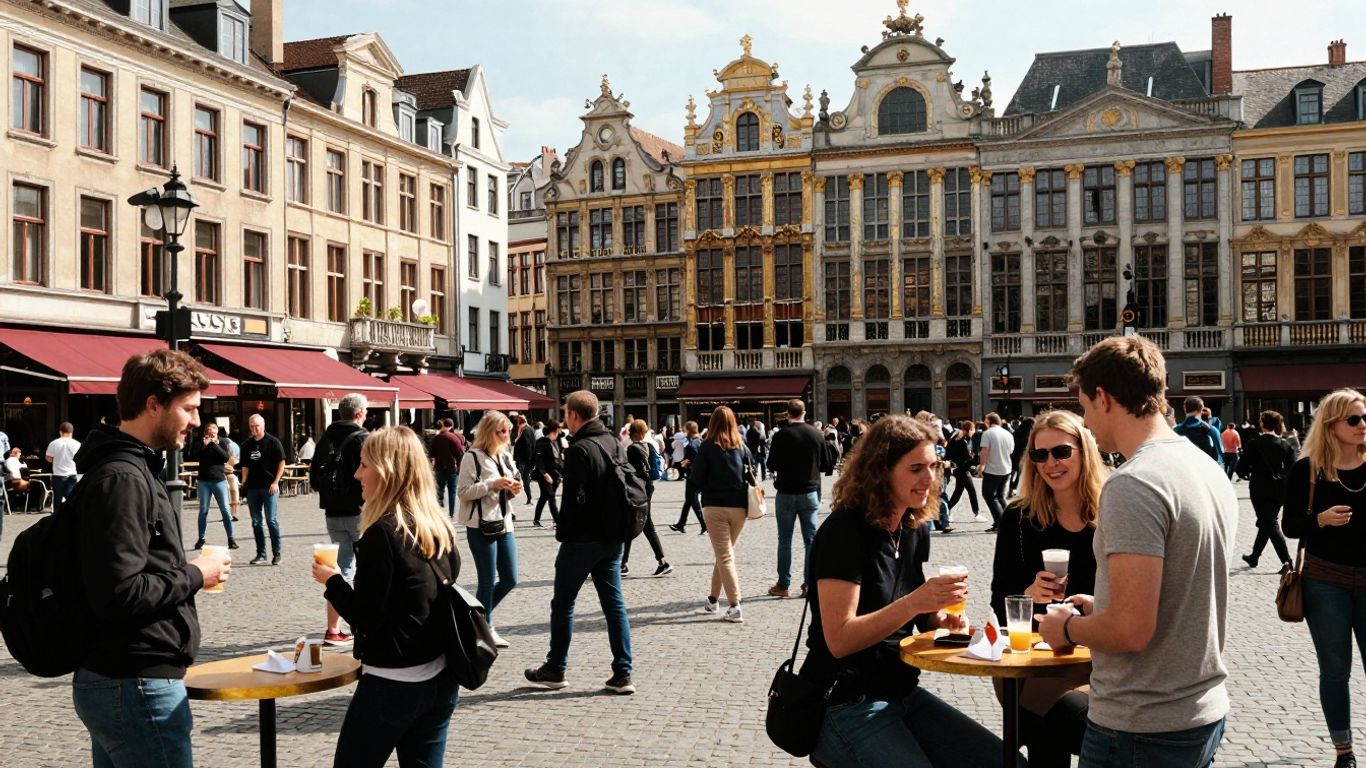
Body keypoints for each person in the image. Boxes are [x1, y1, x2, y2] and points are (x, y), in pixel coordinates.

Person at [1038, 335, 1237, 767]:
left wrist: (1066, 629)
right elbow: (1182, 588)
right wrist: (1102, 605)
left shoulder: (1134, 482)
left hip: (1142, 722)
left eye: (1086, 408)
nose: (1087, 423)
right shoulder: (1204, 466)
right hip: (1199, 707)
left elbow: (1130, 631)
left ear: (1104, 398)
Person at [803, 415, 1006, 768]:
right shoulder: (845, 531)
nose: (930, 478)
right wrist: (916, 602)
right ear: (882, 471)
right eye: (916, 469)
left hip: (902, 694)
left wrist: (940, 618)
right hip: (845, 702)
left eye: (933, 466)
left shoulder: (912, 527)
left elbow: (914, 609)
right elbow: (839, 638)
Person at [72, 349, 231, 768]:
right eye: (189, 409)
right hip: (134, 681)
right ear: (153, 404)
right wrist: (196, 573)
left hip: (127, 680)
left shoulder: (132, 469)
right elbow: (119, 592)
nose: (196, 422)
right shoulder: (123, 478)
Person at [311, 426, 462, 768]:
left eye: (364, 465)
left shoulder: (383, 532)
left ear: (387, 471)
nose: (356, 473)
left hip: (394, 682)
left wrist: (333, 581)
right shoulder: (437, 524)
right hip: (440, 677)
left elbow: (366, 616)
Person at [990, 410, 1104, 767]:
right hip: (1037, 661)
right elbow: (999, 598)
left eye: (1061, 452)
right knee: (1051, 731)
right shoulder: (1020, 518)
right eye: (1040, 455)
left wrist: (1094, 605)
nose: (1050, 464)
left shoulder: (1112, 513)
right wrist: (1028, 594)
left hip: (1098, 656)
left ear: (1084, 451)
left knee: (1049, 731)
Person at [524, 390, 635, 694]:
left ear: (574, 415)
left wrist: (564, 534)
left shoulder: (579, 449)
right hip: (613, 538)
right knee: (614, 605)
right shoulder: (614, 442)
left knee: (563, 603)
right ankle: (623, 673)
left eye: (566, 414)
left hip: (582, 540)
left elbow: (572, 502)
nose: (565, 420)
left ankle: (556, 668)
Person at [1281, 388, 1366, 768]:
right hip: (1324, 582)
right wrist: (1320, 520)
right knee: (1335, 670)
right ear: (1331, 425)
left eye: (1365, 418)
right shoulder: (1308, 469)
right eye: (1354, 419)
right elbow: (1289, 525)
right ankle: (1344, 751)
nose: (1363, 425)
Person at [456, 411, 521, 649]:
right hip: (480, 524)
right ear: (488, 432)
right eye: (501, 431)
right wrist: (491, 484)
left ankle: (474, 620)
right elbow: (463, 492)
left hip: (504, 521)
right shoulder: (472, 457)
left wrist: (515, 488)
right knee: (486, 580)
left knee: (511, 578)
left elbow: (513, 482)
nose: (506, 435)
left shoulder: (505, 454)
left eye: (508, 430)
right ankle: (486, 628)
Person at [688, 406, 754, 623]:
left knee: (725, 555)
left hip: (715, 506)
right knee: (724, 553)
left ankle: (735, 606)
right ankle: (713, 599)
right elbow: (752, 472)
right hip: (739, 508)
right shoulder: (742, 447)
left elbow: (696, 479)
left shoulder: (707, 447)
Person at [315, 393, 370, 646]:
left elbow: (314, 479)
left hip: (332, 512)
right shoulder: (362, 439)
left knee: (341, 569)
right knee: (367, 569)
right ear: (359, 414)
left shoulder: (325, 438)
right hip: (360, 511)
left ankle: (333, 629)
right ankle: (362, 624)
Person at [766, 399, 823, 599]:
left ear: (788, 414)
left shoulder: (781, 435)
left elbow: (771, 463)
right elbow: (825, 463)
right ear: (804, 412)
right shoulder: (816, 434)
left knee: (785, 540)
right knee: (811, 541)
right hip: (809, 493)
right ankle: (808, 585)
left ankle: (783, 585)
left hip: (786, 494)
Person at [1237, 410, 1296, 570]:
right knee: (1266, 522)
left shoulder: (1254, 444)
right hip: (1279, 490)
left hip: (1259, 488)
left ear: (1262, 425)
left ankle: (1287, 561)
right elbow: (1292, 469)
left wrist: (1248, 473)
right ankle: (1254, 557)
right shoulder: (1286, 445)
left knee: (1270, 522)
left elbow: (1240, 468)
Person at [623, 419, 671, 577]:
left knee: (633, 523)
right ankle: (661, 561)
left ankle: (623, 564)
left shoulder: (632, 449)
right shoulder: (649, 446)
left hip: (638, 489)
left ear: (634, 432)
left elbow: (633, 471)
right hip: (648, 487)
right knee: (643, 523)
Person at [239, 414, 286, 565]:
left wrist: (275, 482)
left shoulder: (273, 442)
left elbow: (281, 463)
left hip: (269, 487)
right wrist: (243, 483)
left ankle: (277, 553)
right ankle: (261, 553)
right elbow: (245, 466)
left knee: (271, 520)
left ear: (263, 426)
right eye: (251, 426)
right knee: (256, 522)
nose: (254, 429)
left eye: (256, 426)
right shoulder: (246, 445)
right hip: (253, 487)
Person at [191, 422, 236, 551]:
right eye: (209, 432)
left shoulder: (222, 442)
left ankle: (231, 538)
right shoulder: (200, 442)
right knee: (203, 510)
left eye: (214, 432)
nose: (212, 435)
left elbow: (225, 457)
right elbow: (193, 456)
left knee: (225, 510)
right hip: (204, 480)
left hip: (219, 480)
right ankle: (201, 538)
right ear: (206, 432)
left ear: (217, 432)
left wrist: (213, 444)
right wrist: (204, 445)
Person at [976, 413, 1015, 532]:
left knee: (989, 495)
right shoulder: (1008, 433)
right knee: (1000, 496)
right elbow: (1011, 450)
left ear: (989, 421)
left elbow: (985, 451)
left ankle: (1000, 523)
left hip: (993, 469)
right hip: (1006, 468)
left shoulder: (988, 433)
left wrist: (981, 466)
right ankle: (1009, 521)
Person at [670, 421, 706, 534]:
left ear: (689, 430)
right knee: (689, 500)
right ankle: (681, 524)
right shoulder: (700, 441)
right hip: (699, 475)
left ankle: (705, 525)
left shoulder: (692, 444)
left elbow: (696, 460)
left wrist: (687, 463)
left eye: (685, 430)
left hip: (693, 476)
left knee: (693, 501)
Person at [1174, 395, 1224, 468]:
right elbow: (1219, 455)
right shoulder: (1211, 430)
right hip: (1205, 471)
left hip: (1183, 471)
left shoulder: (1175, 431)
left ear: (1184, 409)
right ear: (1201, 409)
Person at [429, 418, 465, 519]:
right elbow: (460, 454)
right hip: (452, 468)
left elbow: (431, 454)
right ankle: (451, 512)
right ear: (452, 426)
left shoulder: (435, 438)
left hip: (439, 468)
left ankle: (439, 509)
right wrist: (459, 466)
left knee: (439, 490)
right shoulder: (455, 438)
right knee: (452, 491)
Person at [945, 420, 980, 520]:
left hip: (959, 469)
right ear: (969, 430)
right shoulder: (962, 441)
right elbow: (965, 457)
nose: (974, 431)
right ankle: (976, 513)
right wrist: (974, 459)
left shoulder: (960, 438)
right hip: (962, 469)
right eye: (973, 429)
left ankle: (946, 511)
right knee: (971, 491)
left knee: (958, 492)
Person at [44, 421, 81, 513]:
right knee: (71, 498)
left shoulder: (54, 443)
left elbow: (48, 458)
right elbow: (80, 458)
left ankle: (57, 519)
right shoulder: (77, 444)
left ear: (60, 432)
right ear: (72, 432)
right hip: (72, 473)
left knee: (57, 499)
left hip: (58, 474)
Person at [533, 420, 564, 526]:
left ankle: (536, 519)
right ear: (554, 431)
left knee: (545, 496)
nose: (559, 433)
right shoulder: (541, 442)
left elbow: (558, 457)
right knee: (551, 497)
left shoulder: (556, 441)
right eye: (557, 430)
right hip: (544, 475)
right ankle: (558, 520)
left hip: (555, 475)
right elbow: (538, 459)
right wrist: (544, 474)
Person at [512, 413, 537, 505]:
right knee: (524, 478)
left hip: (524, 460)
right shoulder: (529, 429)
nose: (517, 425)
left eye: (518, 423)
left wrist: (528, 460)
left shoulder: (526, 431)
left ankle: (529, 497)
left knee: (524, 478)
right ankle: (529, 497)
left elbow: (528, 445)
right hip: (526, 459)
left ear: (520, 423)